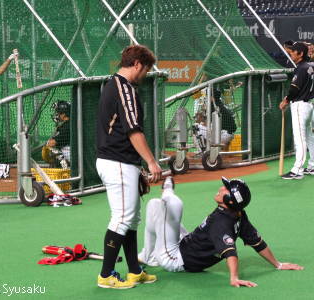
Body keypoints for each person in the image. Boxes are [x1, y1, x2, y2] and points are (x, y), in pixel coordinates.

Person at [138, 176, 304, 287]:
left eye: (225, 189)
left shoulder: (221, 222)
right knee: (170, 212)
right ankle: (148, 255)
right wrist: (278, 264)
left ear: (229, 201)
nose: (221, 188)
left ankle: (149, 256)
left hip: (174, 258)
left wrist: (234, 278)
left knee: (156, 205)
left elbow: (230, 253)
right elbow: (257, 243)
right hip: (185, 243)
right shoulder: (238, 214)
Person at [95, 45, 162, 289]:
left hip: (121, 162)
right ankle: (106, 275)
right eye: (146, 69)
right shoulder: (124, 89)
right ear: (137, 65)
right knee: (122, 218)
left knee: (132, 219)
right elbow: (134, 131)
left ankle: (134, 270)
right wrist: (151, 162)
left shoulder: (114, 85)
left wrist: (138, 167)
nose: (146, 74)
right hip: (117, 162)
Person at [279, 42, 314, 179]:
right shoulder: (311, 66)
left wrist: (285, 101)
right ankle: (312, 166)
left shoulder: (301, 68)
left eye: (294, 52)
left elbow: (294, 89)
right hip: (310, 105)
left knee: (300, 138)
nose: (291, 53)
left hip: (300, 106)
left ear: (300, 54)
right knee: (310, 137)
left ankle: (297, 170)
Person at [41, 100, 71, 169]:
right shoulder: (68, 123)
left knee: (50, 148)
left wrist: (47, 143)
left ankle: (65, 167)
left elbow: (52, 143)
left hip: (72, 155)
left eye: (58, 113)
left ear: (64, 114)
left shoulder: (67, 126)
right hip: (73, 153)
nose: (56, 115)